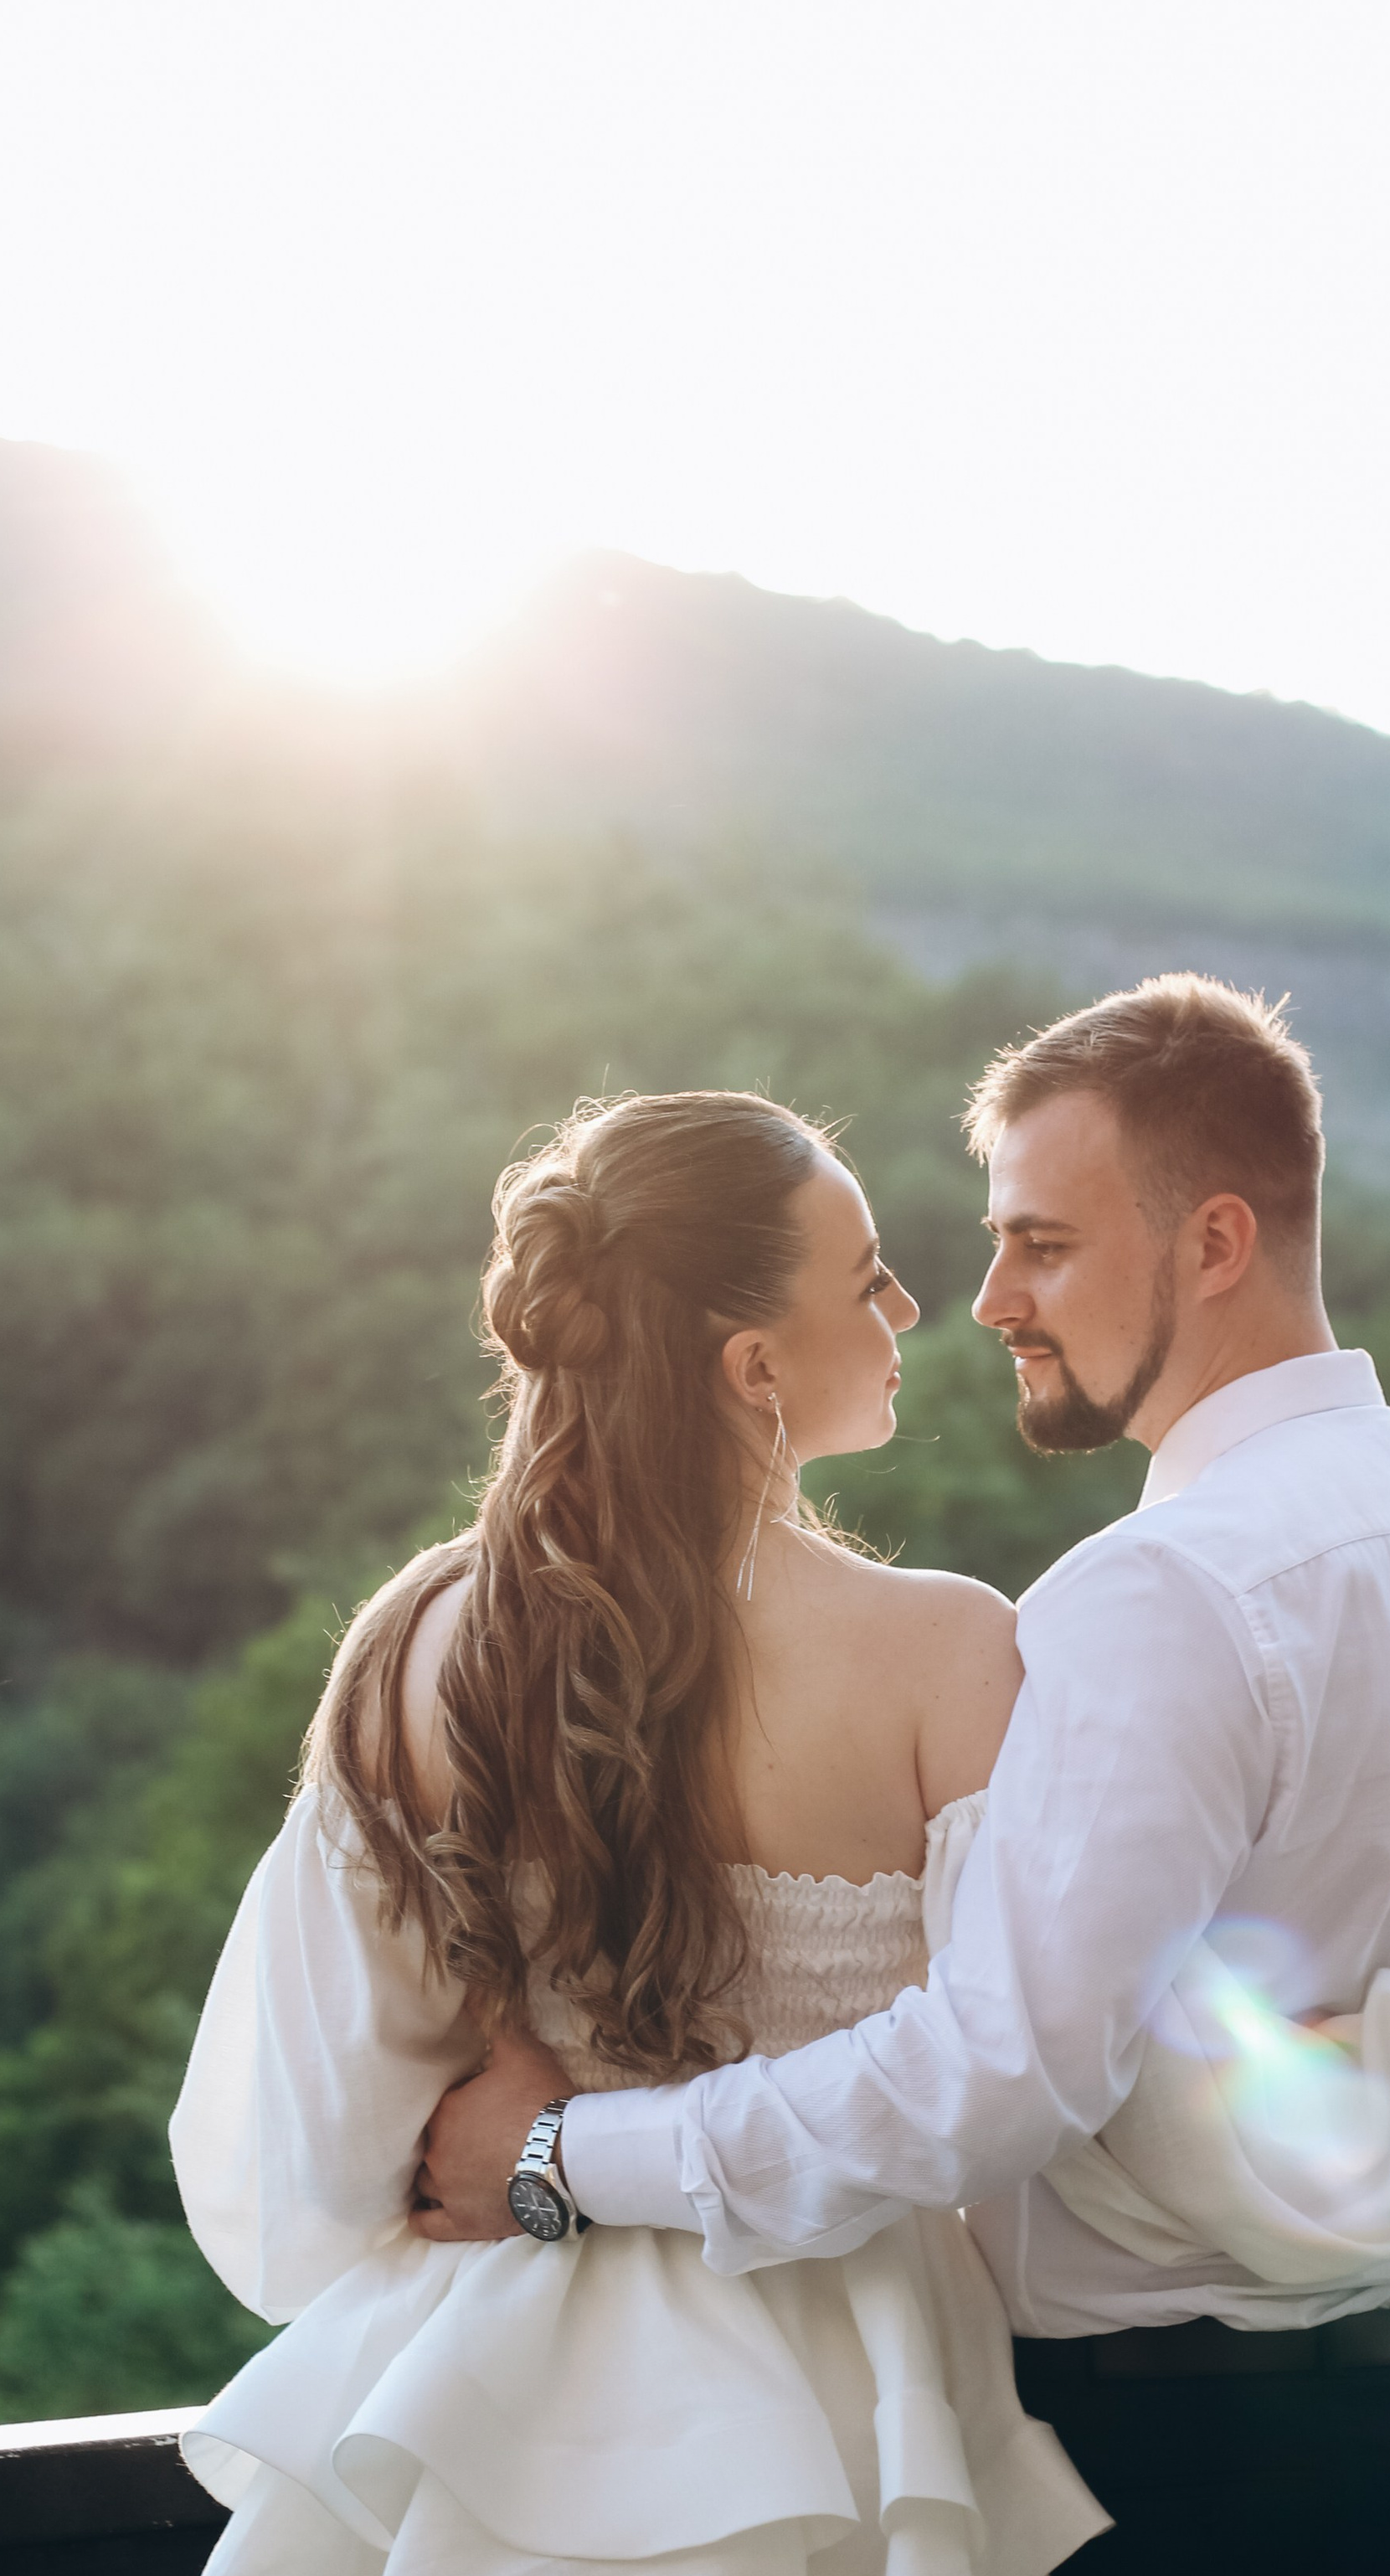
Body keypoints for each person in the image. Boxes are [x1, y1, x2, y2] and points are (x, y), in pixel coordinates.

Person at [419, 976, 1390, 2576]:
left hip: (1195, 2483)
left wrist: (561, 2163)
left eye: (1044, 1243)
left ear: (1216, 1244)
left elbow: (988, 2078)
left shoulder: (1160, 1591)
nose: (988, 1300)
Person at [169, 1089, 1113, 2576]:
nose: (911, 1308)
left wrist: (525, 2147)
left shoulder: (421, 1641)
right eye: (868, 1277)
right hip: (848, 2390)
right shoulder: (948, 1655)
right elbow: (1019, 2094)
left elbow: (304, 2145)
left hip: (477, 2397)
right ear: (752, 1367)